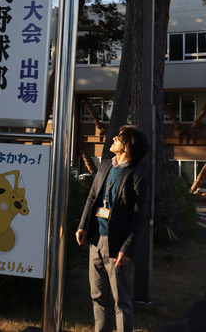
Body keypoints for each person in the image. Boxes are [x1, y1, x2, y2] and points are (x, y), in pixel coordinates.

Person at [76, 125, 148, 332]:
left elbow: (138, 218)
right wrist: (82, 226)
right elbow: (92, 197)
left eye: (119, 137)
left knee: (121, 300)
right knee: (97, 296)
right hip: (95, 240)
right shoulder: (105, 166)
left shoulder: (137, 177)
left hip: (116, 245)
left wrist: (127, 248)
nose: (114, 139)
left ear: (128, 146)